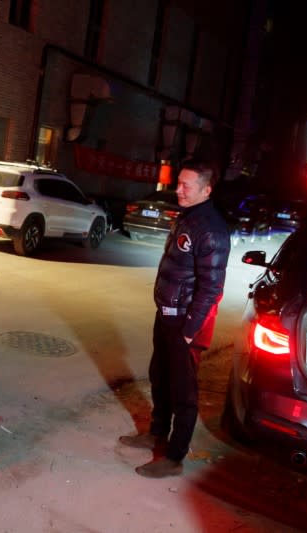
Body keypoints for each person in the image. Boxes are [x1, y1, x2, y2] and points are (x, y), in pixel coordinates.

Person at [119, 159, 230, 478]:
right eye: (178, 183)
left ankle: (174, 456)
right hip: (167, 316)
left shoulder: (211, 228)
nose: (178, 190)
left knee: (183, 393)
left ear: (206, 190)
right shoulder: (188, 218)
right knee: (160, 379)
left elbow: (211, 287)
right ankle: (156, 433)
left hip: (186, 324)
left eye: (186, 186)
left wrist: (189, 331)